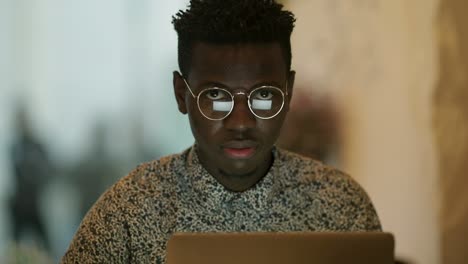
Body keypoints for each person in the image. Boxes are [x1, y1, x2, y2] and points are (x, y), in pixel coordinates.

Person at [61, 0, 381, 263]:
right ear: (180, 95)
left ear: (289, 92)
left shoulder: (342, 206)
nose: (240, 123)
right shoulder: (128, 212)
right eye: (215, 96)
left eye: (264, 95)